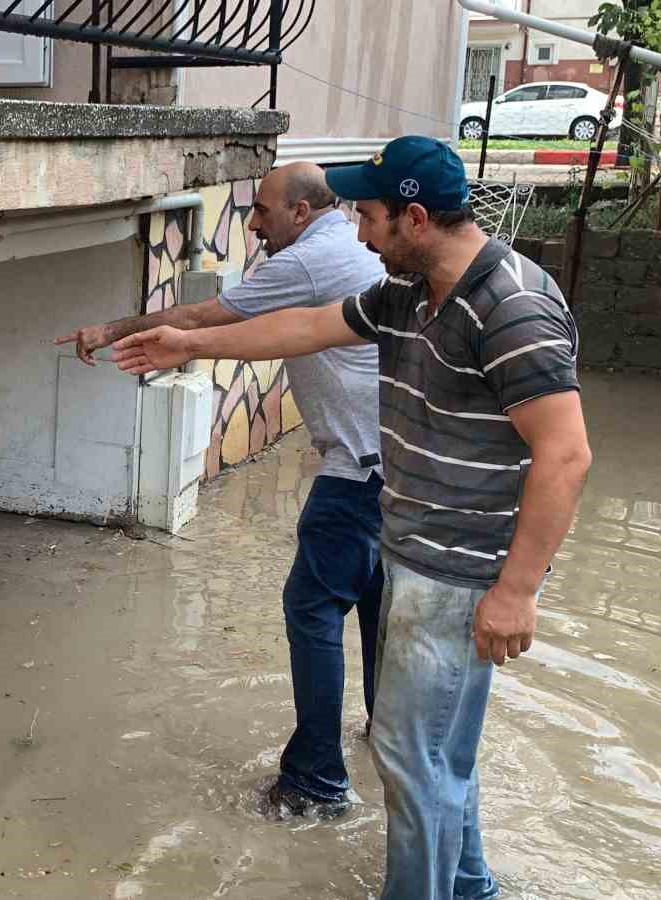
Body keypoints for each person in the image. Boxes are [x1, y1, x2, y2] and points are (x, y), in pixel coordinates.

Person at [110, 136, 592, 900]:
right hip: (414, 550)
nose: (359, 233)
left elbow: (565, 455)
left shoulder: (512, 306)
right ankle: (467, 887)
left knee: (410, 758)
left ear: (416, 217)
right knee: (439, 758)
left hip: (459, 572)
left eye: (368, 216)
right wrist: (189, 342)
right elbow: (306, 327)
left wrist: (517, 591)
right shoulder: (409, 293)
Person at [56, 162, 387, 820]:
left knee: (312, 609)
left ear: (299, 212)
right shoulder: (344, 250)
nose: (252, 222)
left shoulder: (311, 261)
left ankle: (316, 784)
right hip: (397, 469)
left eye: (262, 210)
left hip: (358, 469)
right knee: (377, 607)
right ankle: (387, 737)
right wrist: (189, 342)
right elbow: (281, 333)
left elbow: (210, 313)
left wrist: (115, 331)